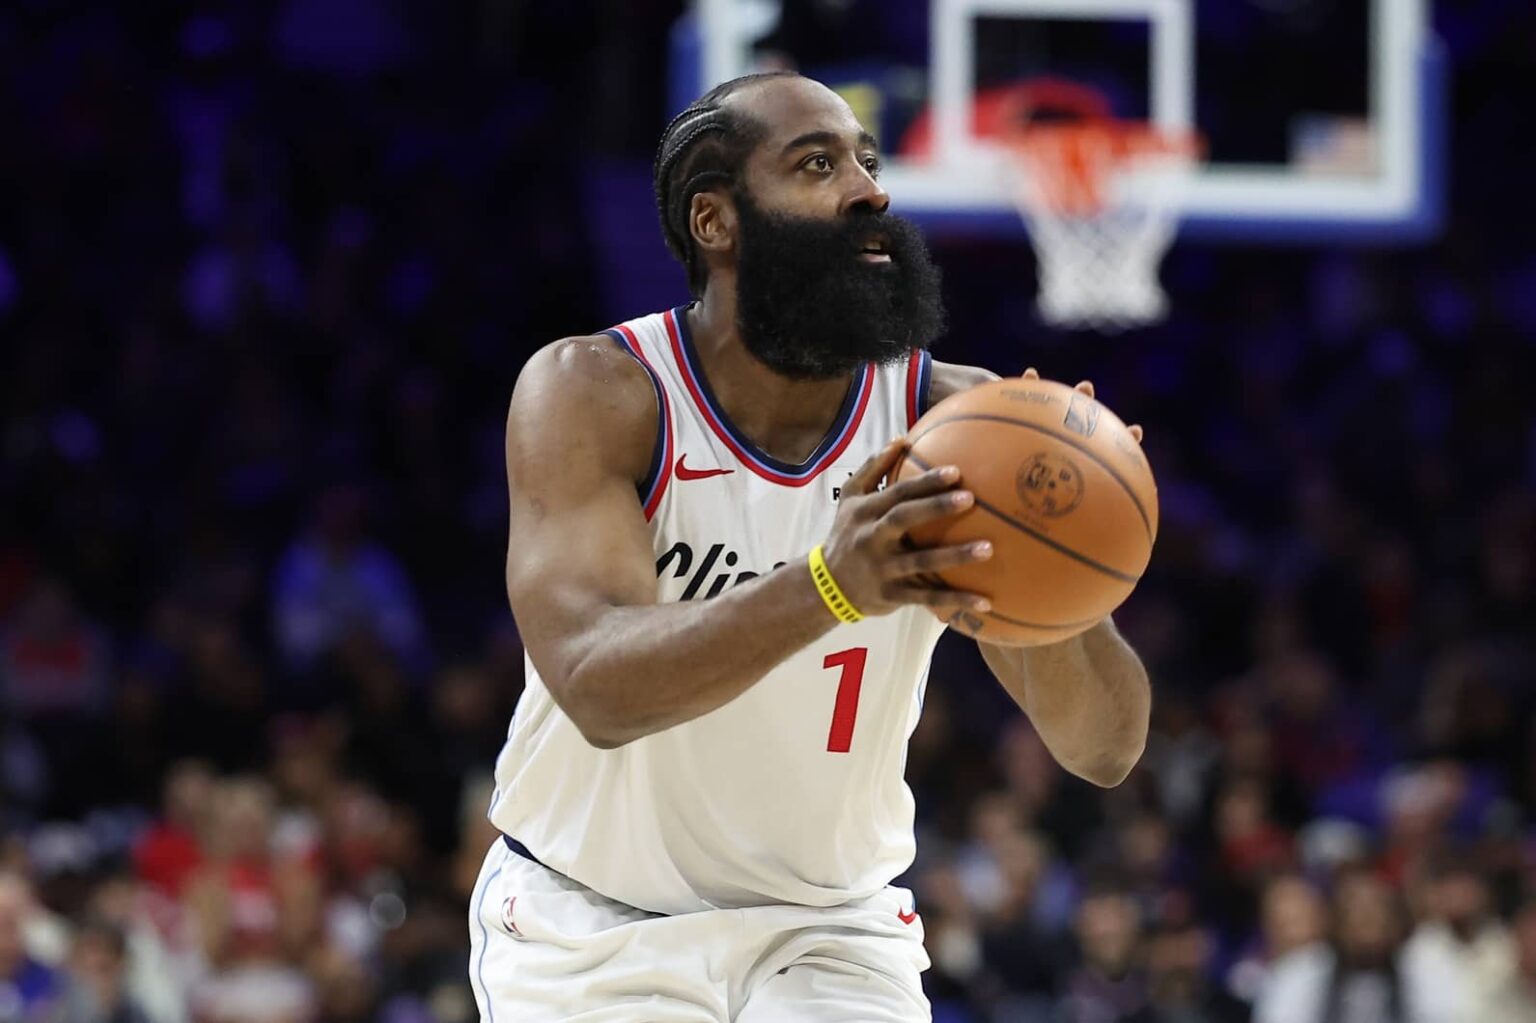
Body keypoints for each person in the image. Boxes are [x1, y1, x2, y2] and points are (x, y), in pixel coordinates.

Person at [472, 70, 1152, 1022]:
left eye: (869, 162)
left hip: (826, 930)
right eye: (817, 163)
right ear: (718, 222)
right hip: (591, 922)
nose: (869, 189)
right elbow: (597, 686)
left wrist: (1056, 550)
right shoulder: (599, 394)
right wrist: (831, 585)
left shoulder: (950, 423)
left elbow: (1107, 749)